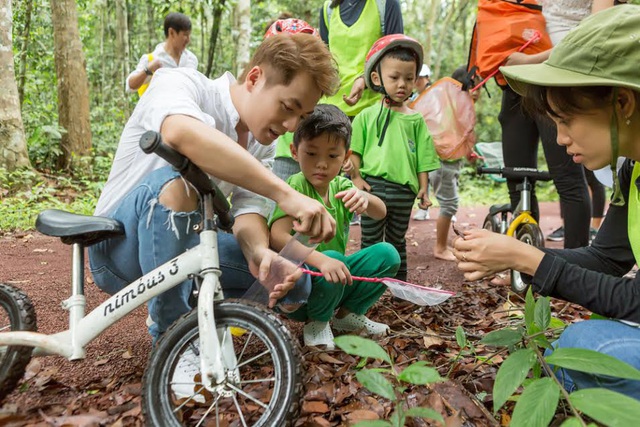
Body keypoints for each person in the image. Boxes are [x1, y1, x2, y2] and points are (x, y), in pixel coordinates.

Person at [89, 33, 340, 342]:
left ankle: (197, 312)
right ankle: (174, 337)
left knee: (293, 279)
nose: (291, 126)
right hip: (118, 245)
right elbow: (181, 134)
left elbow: (248, 212)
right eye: (288, 107)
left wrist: (259, 252)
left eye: (301, 117)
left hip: (188, 244)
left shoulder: (262, 145)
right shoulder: (180, 82)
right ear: (254, 78)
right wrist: (286, 194)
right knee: (180, 182)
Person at [453, 4, 640, 398]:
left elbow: (634, 301)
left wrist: (530, 260)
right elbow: (608, 258)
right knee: (579, 345)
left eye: (566, 120)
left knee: (583, 347)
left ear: (622, 103)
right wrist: (513, 253)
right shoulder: (632, 170)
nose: (558, 139)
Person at [270, 104, 400, 349]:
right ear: (295, 152)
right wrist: (320, 261)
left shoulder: (341, 185)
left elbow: (381, 211)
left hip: (336, 278)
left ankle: (346, 316)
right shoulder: (295, 186)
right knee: (332, 256)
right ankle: (317, 322)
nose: (321, 164)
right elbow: (276, 235)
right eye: (311, 154)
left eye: (332, 156)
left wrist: (365, 198)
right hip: (301, 289)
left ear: (345, 157)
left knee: (387, 254)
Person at [503, 1, 619, 248]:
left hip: (562, 73)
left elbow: (598, 30)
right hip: (521, 77)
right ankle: (522, 262)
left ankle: (577, 263)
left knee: (568, 178)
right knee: (517, 175)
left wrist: (530, 60)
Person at [349, 35, 440, 281]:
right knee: (369, 241)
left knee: (397, 241)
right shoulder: (366, 116)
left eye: (409, 78)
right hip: (372, 188)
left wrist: (424, 189)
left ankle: (399, 287)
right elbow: (354, 152)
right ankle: (364, 287)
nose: (402, 84)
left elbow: (423, 158)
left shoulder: (416, 119)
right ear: (377, 79)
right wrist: (356, 178)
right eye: (394, 77)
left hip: (404, 192)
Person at [319, 0, 404, 118]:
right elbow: (324, 59)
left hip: (371, 109)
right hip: (330, 108)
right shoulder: (328, 9)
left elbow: (396, 57)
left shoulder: (386, 4)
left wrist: (365, 79)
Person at [126, 12, 198, 95]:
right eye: (185, 35)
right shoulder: (152, 59)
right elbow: (130, 87)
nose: (188, 40)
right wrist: (148, 70)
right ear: (171, 33)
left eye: (189, 35)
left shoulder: (191, 60)